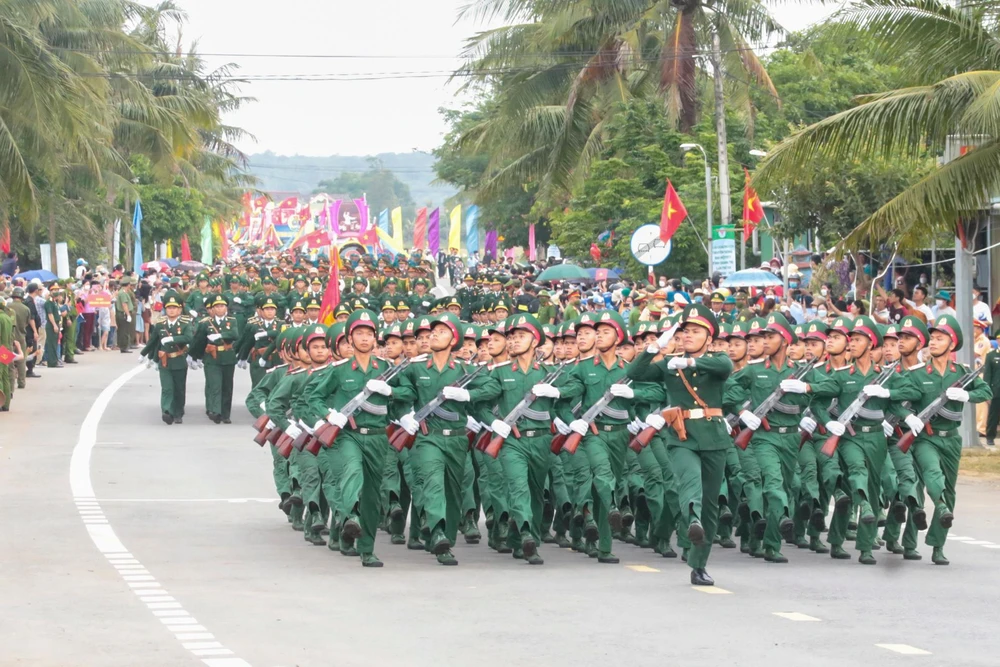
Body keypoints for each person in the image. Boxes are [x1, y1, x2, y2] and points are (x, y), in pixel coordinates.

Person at [627, 303, 733, 585]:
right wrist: (654, 347)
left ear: (709, 338)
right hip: (682, 436)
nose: (687, 335)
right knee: (689, 484)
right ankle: (692, 521)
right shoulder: (669, 364)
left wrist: (690, 362)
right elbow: (635, 373)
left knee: (710, 503)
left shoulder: (713, 360)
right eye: (684, 331)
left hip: (713, 436)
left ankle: (699, 564)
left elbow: (725, 365)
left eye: (695, 331)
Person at [898, 314, 992, 564]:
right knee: (931, 475)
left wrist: (964, 395)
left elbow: (986, 391)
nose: (934, 343)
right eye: (932, 339)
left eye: (940, 339)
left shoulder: (962, 373)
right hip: (924, 438)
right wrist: (908, 417)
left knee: (948, 493)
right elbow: (897, 400)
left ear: (952, 344)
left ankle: (937, 546)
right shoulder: (917, 373)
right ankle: (934, 510)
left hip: (950, 439)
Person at [139, 291, 193, 424]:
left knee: (179, 389)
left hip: (179, 360)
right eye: (169, 308)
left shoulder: (185, 323)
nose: (172, 310)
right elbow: (153, 341)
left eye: (174, 308)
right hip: (165, 361)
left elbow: (188, 338)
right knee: (167, 387)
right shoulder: (161, 324)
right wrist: (144, 354)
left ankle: (178, 412)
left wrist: (172, 339)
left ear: (180, 309)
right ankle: (167, 411)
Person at [190, 294, 240, 423]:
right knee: (215, 385)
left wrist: (219, 336)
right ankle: (215, 411)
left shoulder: (232, 320)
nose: (220, 309)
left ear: (226, 308)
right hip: (211, 358)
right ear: (212, 308)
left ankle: (225, 414)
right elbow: (199, 341)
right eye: (217, 306)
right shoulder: (205, 323)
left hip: (227, 357)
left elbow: (235, 334)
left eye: (222, 306)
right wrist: (194, 356)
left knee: (227, 386)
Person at [114, 278, 134, 353]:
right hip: (123, 313)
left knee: (124, 330)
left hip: (123, 313)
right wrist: (128, 314)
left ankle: (124, 346)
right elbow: (124, 304)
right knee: (124, 331)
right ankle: (124, 347)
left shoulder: (123, 292)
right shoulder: (123, 293)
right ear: (128, 285)